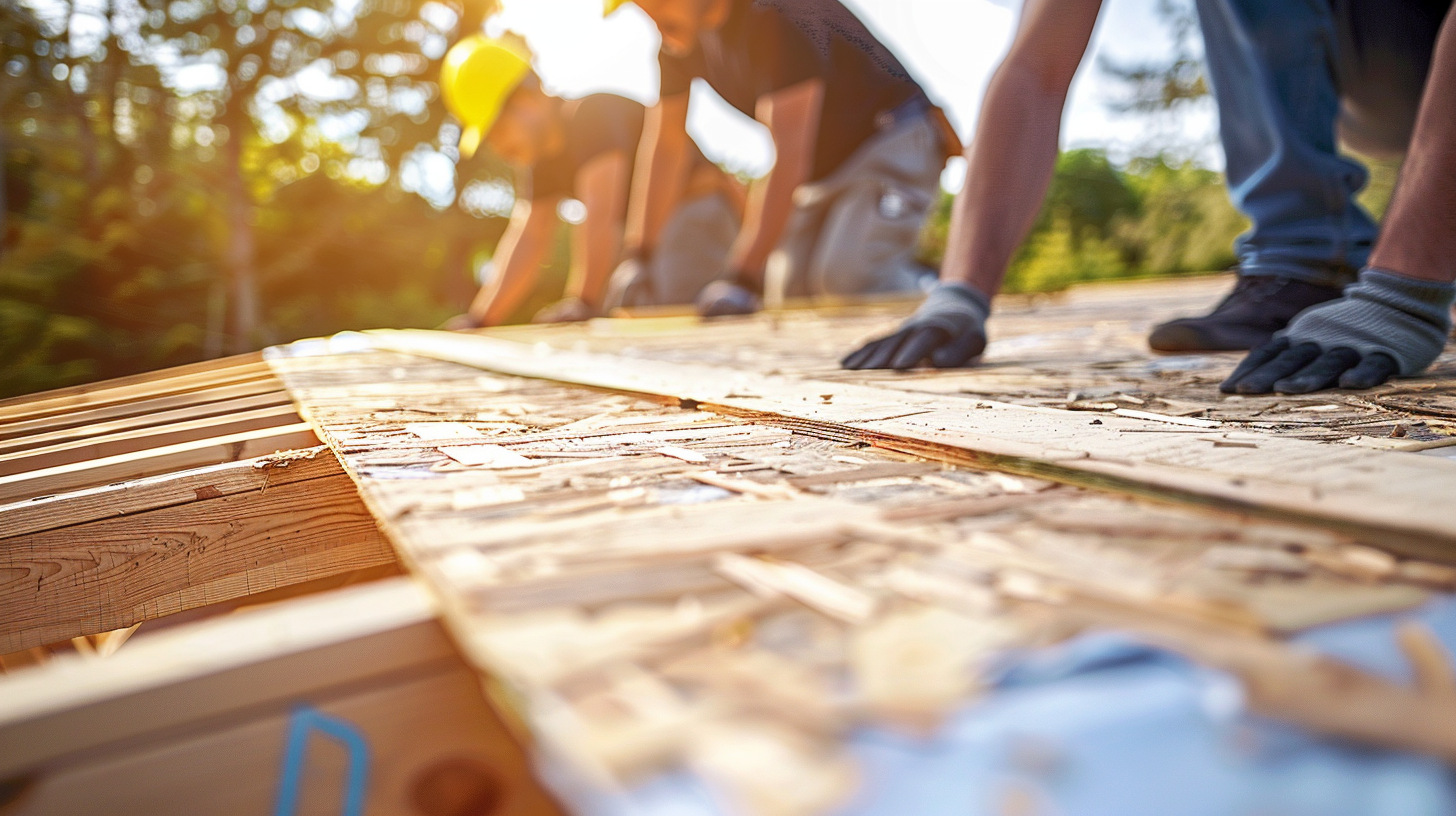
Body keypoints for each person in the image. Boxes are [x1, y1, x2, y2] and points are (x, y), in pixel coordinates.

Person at [844, 0, 1455, 395]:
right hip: (1391, 78)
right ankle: (1304, 259)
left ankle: (1329, 255)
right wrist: (958, 294)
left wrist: (1404, 292)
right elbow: (1035, 69)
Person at [606, 0, 960, 316]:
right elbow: (667, 148)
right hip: (822, 173)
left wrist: (742, 274)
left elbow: (789, 153)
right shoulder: (678, 45)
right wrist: (639, 255)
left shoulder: (777, 15)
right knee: (791, 297)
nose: (652, 16)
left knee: (848, 281)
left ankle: (940, 286)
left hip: (890, 137)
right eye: (639, 7)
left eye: (660, 2)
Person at [441, 35, 743, 328]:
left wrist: (582, 301)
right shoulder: (543, 161)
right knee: (625, 314)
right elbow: (529, 236)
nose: (497, 148)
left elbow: (603, 215)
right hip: (645, 241)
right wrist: (481, 319)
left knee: (672, 312)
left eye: (496, 131)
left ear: (526, 101)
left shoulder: (588, 116)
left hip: (697, 211)